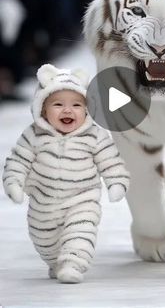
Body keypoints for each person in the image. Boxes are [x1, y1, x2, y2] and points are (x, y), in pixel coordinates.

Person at [2, 64, 130, 283]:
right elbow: (18, 160)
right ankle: (56, 261)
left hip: (82, 200)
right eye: (58, 104)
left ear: (87, 109)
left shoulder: (94, 136)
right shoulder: (33, 135)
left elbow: (111, 160)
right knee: (45, 241)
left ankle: (74, 263)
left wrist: (116, 181)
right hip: (43, 204)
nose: (68, 110)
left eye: (77, 105)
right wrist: (14, 182)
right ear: (42, 109)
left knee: (81, 233)